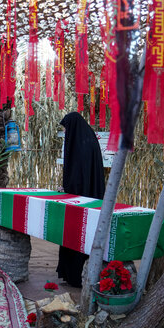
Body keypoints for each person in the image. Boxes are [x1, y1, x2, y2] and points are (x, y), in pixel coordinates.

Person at [56, 112, 106, 287]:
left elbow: (78, 176)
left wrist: (68, 190)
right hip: (90, 198)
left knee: (76, 236)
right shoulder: (87, 139)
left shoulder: (81, 144)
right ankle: (77, 274)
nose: (66, 132)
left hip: (80, 201)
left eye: (66, 129)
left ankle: (75, 276)